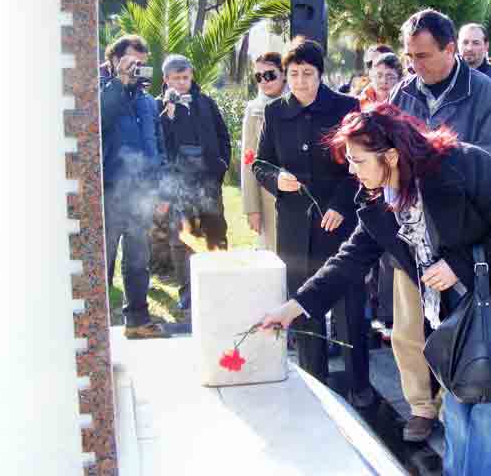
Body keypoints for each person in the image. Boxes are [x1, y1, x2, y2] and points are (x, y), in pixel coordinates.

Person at [260, 104, 491, 476]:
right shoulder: (382, 199)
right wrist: (294, 308)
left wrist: (459, 265)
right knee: (459, 403)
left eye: (358, 160)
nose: (351, 170)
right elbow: (349, 260)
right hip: (458, 310)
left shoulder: (463, 166)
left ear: (391, 156)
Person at [388, 8, 491, 441]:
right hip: (412, 230)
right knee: (407, 327)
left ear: (449, 49)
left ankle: (454, 400)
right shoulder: (403, 94)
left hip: (462, 236)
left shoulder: (486, 94)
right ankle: (421, 405)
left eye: (422, 56)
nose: (414, 65)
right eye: (409, 56)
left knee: (459, 326)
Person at [252, 38, 373, 407]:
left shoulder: (347, 108)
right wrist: (276, 180)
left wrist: (341, 205)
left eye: (308, 74)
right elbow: (261, 163)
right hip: (294, 226)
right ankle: (314, 380)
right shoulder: (276, 112)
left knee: (349, 305)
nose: (301, 82)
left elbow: (362, 165)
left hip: (339, 223)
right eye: (294, 74)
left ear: (321, 74)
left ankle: (359, 383)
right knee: (304, 304)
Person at [155, 54, 230, 312]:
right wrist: (169, 115)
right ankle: (187, 292)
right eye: (176, 78)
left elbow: (223, 135)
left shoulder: (206, 103)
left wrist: (222, 165)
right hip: (179, 183)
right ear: (166, 79)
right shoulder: (158, 107)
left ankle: (218, 288)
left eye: (185, 77)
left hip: (208, 179)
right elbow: (158, 143)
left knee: (216, 231)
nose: (182, 83)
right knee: (182, 239)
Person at [100, 44, 165, 338]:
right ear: (114, 60)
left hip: (142, 193)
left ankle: (137, 321)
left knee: (138, 260)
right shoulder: (100, 91)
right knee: (104, 260)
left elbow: (159, 146)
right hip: (109, 191)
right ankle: (95, 327)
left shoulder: (148, 101)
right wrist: (119, 83)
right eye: (131, 62)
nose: (136, 69)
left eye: (141, 63)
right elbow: (98, 120)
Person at [241, 52, 288, 251]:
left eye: (269, 75)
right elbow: (249, 160)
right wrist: (252, 208)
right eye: (258, 77)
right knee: (275, 259)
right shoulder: (254, 109)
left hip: (302, 193)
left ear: (284, 73)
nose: (264, 81)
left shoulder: (300, 102)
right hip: (269, 197)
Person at [457, 22, 491, 95]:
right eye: (465, 42)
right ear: (458, 44)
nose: (469, 48)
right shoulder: (446, 76)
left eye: (476, 43)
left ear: (486, 46)